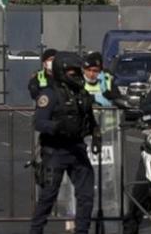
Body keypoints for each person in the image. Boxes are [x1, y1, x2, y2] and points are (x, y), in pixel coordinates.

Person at [29, 52, 99, 234]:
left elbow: (89, 118)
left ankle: (82, 231)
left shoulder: (81, 94)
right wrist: (58, 126)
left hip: (77, 149)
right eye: (71, 72)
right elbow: (38, 122)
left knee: (86, 195)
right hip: (55, 150)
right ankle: (35, 231)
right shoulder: (50, 95)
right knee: (48, 196)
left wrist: (95, 132)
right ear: (61, 72)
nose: (76, 75)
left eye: (77, 71)